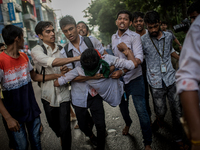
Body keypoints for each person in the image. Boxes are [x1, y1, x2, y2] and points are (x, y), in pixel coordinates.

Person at [0, 25, 63, 150]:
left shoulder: (23, 57)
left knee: (36, 143)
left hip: (31, 110)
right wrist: (8, 118)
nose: (24, 40)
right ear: (17, 38)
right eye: (23, 37)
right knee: (22, 146)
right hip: (13, 114)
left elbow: (35, 77)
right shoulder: (1, 60)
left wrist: (58, 75)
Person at [141, 11, 188, 149]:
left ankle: (178, 137)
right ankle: (159, 119)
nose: (153, 30)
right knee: (161, 111)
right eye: (150, 28)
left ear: (160, 23)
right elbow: (139, 57)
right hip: (155, 82)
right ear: (146, 26)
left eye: (156, 26)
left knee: (177, 110)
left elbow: (171, 51)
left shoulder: (168, 36)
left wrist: (183, 59)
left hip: (171, 78)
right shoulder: (143, 40)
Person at [59, 15, 107, 150]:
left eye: (71, 29)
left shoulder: (91, 41)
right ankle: (91, 137)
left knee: (101, 124)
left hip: (95, 92)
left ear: (76, 27)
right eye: (65, 31)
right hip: (78, 94)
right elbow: (70, 77)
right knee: (83, 125)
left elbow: (104, 57)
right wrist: (92, 76)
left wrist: (105, 72)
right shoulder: (65, 52)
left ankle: (101, 146)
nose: (69, 33)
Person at [31, 21, 80, 150]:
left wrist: (67, 70)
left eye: (53, 30)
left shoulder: (62, 49)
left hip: (63, 94)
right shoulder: (36, 50)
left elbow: (69, 68)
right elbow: (51, 62)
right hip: (47, 95)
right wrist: (76, 58)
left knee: (65, 128)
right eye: (48, 32)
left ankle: (65, 143)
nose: (52, 34)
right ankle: (61, 136)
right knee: (53, 125)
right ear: (40, 36)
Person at [111, 10, 152, 150]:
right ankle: (128, 123)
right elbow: (115, 61)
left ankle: (147, 142)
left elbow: (139, 59)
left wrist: (127, 51)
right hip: (120, 81)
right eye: (120, 18)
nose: (122, 21)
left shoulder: (135, 37)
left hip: (136, 78)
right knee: (123, 109)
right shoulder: (113, 37)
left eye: (126, 19)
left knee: (142, 110)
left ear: (129, 22)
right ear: (116, 21)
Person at [176, 2, 200, 150]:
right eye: (192, 18)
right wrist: (197, 138)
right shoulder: (197, 28)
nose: (192, 22)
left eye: (194, 18)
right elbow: (187, 77)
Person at [132, 11, 152, 120]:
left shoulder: (151, 33)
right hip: (140, 73)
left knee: (157, 95)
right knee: (145, 96)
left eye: (141, 20)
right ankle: (148, 118)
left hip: (154, 70)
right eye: (136, 21)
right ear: (132, 23)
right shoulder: (131, 37)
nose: (139, 23)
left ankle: (160, 117)